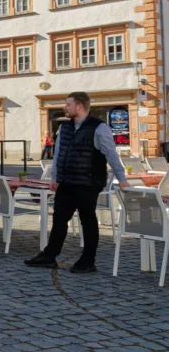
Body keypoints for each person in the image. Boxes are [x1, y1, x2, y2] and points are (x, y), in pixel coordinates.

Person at [25, 92, 131, 273]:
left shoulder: (99, 128)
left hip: (89, 182)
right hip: (66, 181)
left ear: (79, 107)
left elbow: (111, 155)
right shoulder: (64, 128)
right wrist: (54, 177)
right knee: (59, 218)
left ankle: (88, 261)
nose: (64, 108)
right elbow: (58, 154)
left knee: (87, 220)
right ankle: (49, 256)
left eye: (68, 104)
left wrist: (122, 179)